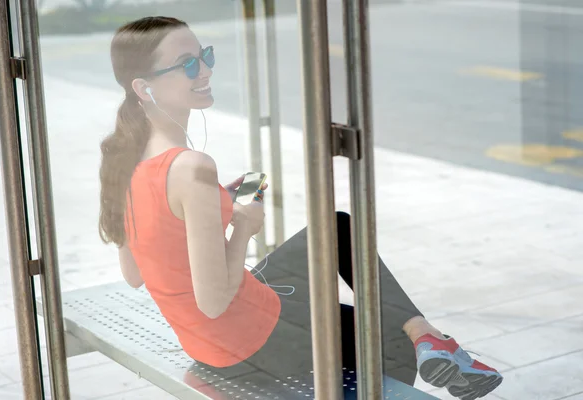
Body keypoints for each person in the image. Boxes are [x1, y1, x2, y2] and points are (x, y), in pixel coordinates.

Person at [98, 16, 503, 400]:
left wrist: (213, 201)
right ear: (143, 87)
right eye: (187, 65)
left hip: (208, 340)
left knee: (335, 228)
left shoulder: (127, 158)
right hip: (248, 342)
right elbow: (214, 301)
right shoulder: (191, 168)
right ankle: (425, 339)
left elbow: (135, 273)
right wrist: (243, 225)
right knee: (390, 336)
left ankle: (429, 336)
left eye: (206, 56)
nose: (204, 71)